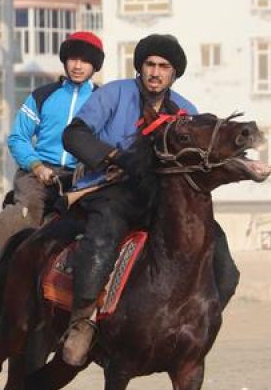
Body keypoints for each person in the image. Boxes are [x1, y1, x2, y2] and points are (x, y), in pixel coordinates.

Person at [60, 33, 239, 366]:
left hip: (162, 198)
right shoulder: (114, 93)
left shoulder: (186, 112)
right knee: (104, 234)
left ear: (174, 73)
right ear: (140, 68)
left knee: (224, 264)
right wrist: (114, 156)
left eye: (164, 66)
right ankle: (82, 320)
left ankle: (198, 319)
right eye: (150, 65)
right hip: (110, 188)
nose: (156, 72)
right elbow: (74, 134)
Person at [0, 31, 103, 273]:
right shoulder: (43, 95)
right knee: (16, 219)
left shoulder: (104, 100)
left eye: (85, 60)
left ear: (95, 65)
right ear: (65, 61)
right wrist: (36, 165)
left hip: (84, 179)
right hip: (38, 176)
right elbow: (18, 137)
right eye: (72, 59)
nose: (78, 66)